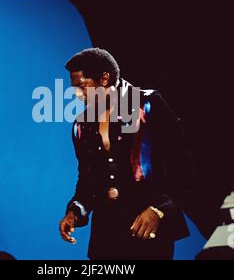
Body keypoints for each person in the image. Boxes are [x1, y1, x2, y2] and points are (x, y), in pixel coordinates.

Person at [59, 48, 193, 260]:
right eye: (74, 88)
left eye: (82, 86)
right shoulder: (81, 125)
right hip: (106, 234)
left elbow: (183, 165)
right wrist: (75, 212)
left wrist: (159, 210)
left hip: (148, 230)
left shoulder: (148, 105)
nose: (76, 94)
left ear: (104, 78)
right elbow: (88, 178)